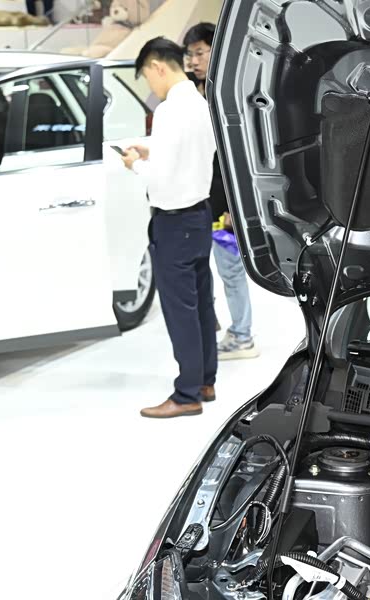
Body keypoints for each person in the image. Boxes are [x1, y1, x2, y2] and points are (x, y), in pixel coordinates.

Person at [122, 37, 218, 418]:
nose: (151, 86)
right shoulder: (200, 103)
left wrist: (135, 164)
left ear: (158, 67)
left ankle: (186, 394)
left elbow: (159, 178)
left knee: (180, 310)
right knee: (201, 303)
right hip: (199, 215)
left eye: (148, 77)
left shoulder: (167, 111)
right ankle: (206, 381)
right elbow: (191, 153)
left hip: (174, 221)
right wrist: (152, 151)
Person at [184, 22, 260, 361]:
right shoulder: (192, 94)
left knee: (230, 270)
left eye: (200, 52)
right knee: (202, 268)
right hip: (197, 200)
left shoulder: (228, 94)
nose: (193, 61)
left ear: (217, 50)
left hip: (223, 205)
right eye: (190, 54)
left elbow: (238, 155)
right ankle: (213, 324)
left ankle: (242, 336)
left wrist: (233, 205)